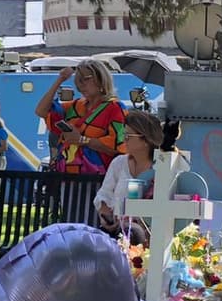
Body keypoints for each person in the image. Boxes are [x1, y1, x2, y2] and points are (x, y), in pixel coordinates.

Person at [94, 110, 180, 239]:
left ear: (146, 140)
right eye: (124, 135)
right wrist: (107, 218)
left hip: (152, 237)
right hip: (116, 234)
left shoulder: (162, 167)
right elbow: (104, 195)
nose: (123, 140)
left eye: (128, 136)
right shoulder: (119, 163)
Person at [34, 59, 126, 176]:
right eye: (78, 80)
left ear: (101, 79)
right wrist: (60, 80)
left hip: (98, 177)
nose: (81, 84)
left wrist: (82, 140)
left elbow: (119, 146)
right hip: (66, 174)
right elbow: (41, 111)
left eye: (86, 79)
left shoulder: (115, 108)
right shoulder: (76, 105)